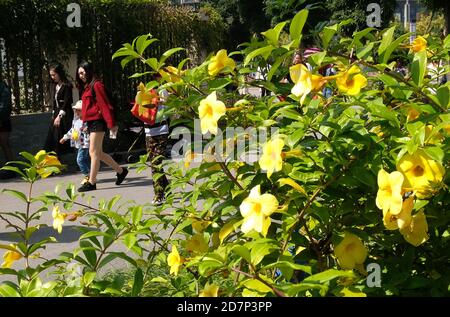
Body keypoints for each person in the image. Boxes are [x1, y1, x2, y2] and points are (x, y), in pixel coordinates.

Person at [75, 61, 128, 192]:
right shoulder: (88, 87)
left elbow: (105, 106)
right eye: (79, 73)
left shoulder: (97, 85)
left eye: (83, 72)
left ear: (89, 70)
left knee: (92, 152)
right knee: (99, 153)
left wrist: (111, 124)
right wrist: (86, 123)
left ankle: (92, 182)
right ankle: (121, 171)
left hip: (99, 122)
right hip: (92, 123)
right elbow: (89, 108)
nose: (81, 75)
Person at [145, 74, 170, 205]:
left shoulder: (162, 90)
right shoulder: (144, 91)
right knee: (154, 162)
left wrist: (158, 100)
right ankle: (167, 188)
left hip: (161, 130)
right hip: (148, 131)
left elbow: (168, 103)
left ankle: (159, 194)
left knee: (156, 162)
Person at [44, 63, 74, 157]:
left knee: (66, 138)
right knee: (53, 139)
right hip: (57, 113)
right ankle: (55, 163)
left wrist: (59, 117)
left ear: (59, 73)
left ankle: (78, 161)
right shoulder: (54, 86)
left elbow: (66, 103)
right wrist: (54, 115)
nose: (52, 77)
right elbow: (54, 102)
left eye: (54, 75)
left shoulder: (67, 86)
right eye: (51, 75)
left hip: (65, 115)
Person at [59, 100, 90, 185]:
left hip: (85, 144)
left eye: (79, 110)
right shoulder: (76, 121)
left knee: (79, 160)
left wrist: (88, 130)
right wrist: (65, 137)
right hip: (79, 144)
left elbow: (92, 131)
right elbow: (72, 131)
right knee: (85, 160)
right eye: (76, 110)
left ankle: (87, 176)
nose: (77, 112)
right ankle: (90, 174)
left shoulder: (87, 122)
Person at [0, 77, 14, 166]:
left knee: (4, 143)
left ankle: (11, 168)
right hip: (3, 118)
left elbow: (4, 105)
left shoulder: (2, 86)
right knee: (4, 144)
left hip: (2, 119)